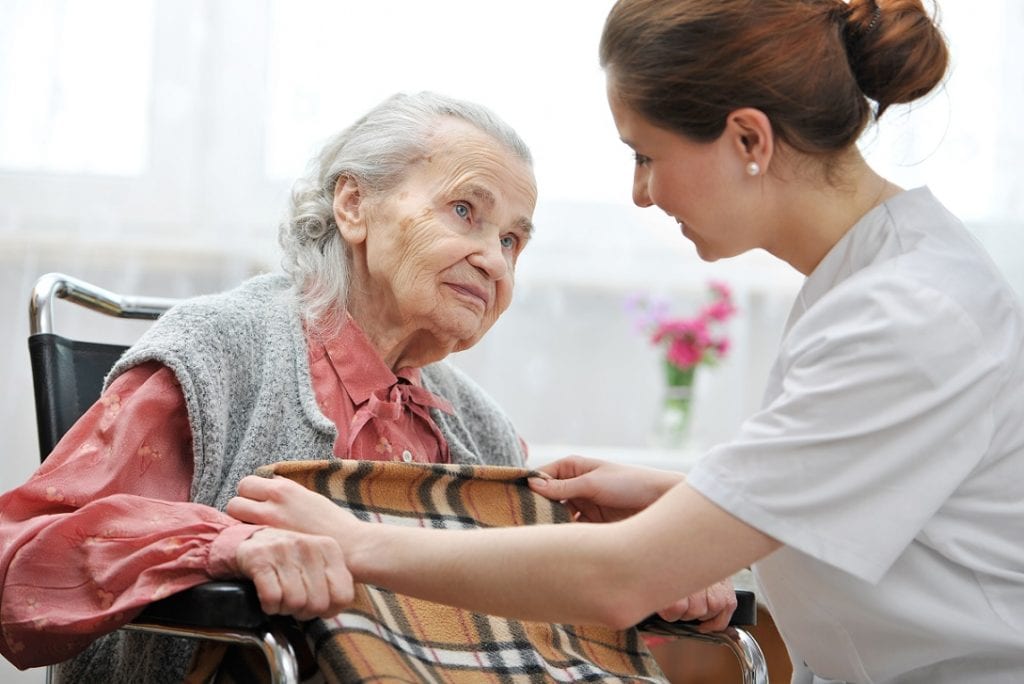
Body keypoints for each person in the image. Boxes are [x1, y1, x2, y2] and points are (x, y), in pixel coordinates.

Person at [227, 1, 1024, 683]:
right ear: (351, 206)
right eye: (464, 213)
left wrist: (355, 543)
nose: (640, 194)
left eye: (646, 155)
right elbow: (863, 489)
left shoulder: (906, 315)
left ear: (749, 140)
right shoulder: (875, 284)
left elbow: (622, 576)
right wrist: (683, 498)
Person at [0, 91, 543, 681]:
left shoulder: (481, 428)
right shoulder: (217, 353)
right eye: (464, 211)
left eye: (513, 240)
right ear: (354, 204)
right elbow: (18, 560)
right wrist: (226, 545)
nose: (494, 260)